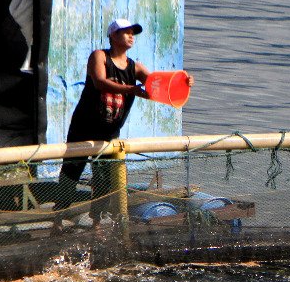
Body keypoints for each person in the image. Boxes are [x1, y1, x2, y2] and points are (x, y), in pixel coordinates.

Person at [54, 18, 192, 225]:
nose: (130, 36)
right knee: (71, 173)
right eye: (125, 32)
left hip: (109, 132)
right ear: (112, 36)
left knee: (103, 180)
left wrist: (184, 81)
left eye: (132, 33)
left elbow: (158, 84)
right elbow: (100, 83)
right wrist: (131, 89)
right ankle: (58, 218)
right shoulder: (99, 56)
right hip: (84, 127)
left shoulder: (134, 68)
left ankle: (96, 222)